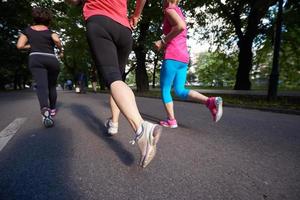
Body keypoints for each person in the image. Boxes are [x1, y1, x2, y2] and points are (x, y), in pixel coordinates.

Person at [65, 0, 162, 168]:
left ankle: (141, 128)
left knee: (113, 78)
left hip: (99, 21)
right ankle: (114, 123)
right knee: (117, 81)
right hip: (124, 29)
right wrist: (136, 15)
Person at [154, 0, 223, 128]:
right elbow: (179, 30)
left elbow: (180, 27)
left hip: (173, 55)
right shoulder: (179, 11)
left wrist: (162, 41)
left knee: (165, 89)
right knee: (180, 90)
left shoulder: (169, 10)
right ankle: (210, 101)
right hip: (183, 56)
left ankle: (171, 120)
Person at [17, 7, 63, 128]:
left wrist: (31, 45)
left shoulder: (27, 30)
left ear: (35, 18)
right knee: (52, 86)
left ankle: (45, 111)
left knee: (41, 86)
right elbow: (57, 41)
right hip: (51, 59)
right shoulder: (51, 32)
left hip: (36, 58)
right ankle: (53, 110)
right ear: (48, 20)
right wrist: (60, 49)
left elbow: (20, 45)